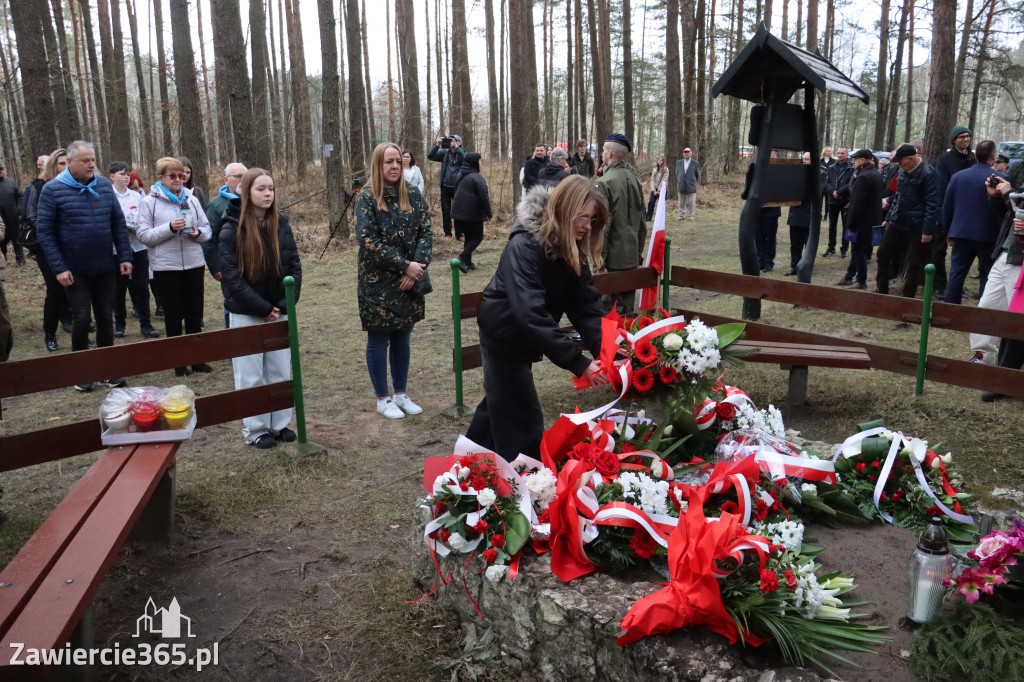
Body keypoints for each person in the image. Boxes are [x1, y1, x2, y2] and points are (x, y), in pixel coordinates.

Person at [465, 175, 610, 461]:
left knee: (500, 403)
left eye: (592, 220)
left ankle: (466, 465)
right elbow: (529, 313)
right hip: (503, 335)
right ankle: (527, 479)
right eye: (581, 217)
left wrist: (606, 349)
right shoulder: (524, 246)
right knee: (523, 418)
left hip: (526, 334)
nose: (585, 226)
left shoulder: (571, 248)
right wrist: (579, 362)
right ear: (564, 210)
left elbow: (586, 306)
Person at [35, 140, 130, 391]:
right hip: (74, 268)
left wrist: (124, 256)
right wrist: (59, 267)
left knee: (105, 318)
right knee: (81, 318)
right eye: (86, 161)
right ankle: (81, 373)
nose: (91, 164)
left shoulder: (103, 186)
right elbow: (45, 233)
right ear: (72, 162)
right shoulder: (53, 190)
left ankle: (107, 371)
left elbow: (117, 224)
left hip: (104, 265)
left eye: (93, 160)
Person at [219, 168, 302, 448]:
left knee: (279, 370)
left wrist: (282, 304)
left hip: (279, 310)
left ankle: (279, 424)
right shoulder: (231, 228)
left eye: (271, 189)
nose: (268, 194)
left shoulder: (281, 224)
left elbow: (294, 268)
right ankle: (256, 429)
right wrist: (262, 307)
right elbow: (231, 277)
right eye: (261, 189)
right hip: (246, 312)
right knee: (251, 374)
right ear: (246, 193)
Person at [355, 142, 432, 419]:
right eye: (389, 162)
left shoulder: (411, 193)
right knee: (379, 337)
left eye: (398, 161)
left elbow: (426, 229)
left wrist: (417, 268)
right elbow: (367, 240)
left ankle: (400, 394)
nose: (395, 166)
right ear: (378, 164)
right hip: (378, 281)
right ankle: (382, 398)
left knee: (403, 337)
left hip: (410, 280)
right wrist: (404, 266)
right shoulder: (366, 197)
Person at [136, 157, 212, 377]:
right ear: (161, 178)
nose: (178, 179)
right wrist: (169, 227)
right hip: (166, 267)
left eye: (181, 175)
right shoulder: (149, 202)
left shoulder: (192, 199)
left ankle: (197, 359)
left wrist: (197, 233)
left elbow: (207, 229)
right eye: (173, 176)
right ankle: (178, 362)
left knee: (194, 312)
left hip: (194, 264)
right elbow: (143, 236)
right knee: (173, 315)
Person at [942, 140, 1006, 305]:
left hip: (961, 231)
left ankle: (951, 307)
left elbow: (947, 207)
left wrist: (948, 231)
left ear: (975, 155)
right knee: (987, 273)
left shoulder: (958, 177)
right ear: (993, 156)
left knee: (957, 272)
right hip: (989, 233)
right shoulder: (1002, 179)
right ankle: (984, 308)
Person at [970, 176, 1023, 368]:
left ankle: (1008, 368)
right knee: (986, 307)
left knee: (1016, 319)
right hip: (1005, 255)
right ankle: (983, 356)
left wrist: (1009, 194)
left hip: (1020, 262)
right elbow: (1009, 217)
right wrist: (996, 197)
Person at [875, 144, 941, 297]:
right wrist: (890, 218)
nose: (899, 165)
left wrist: (927, 230)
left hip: (917, 227)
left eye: (902, 161)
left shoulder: (928, 174)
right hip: (898, 222)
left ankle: (908, 296)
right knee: (882, 253)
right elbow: (898, 197)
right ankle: (881, 289)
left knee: (914, 262)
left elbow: (933, 204)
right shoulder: (901, 171)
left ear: (912, 159)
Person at [597, 133, 647, 314]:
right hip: (631, 257)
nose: (602, 154)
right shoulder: (634, 180)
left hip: (611, 260)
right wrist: (638, 255)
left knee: (610, 315)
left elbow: (602, 227)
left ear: (610, 154)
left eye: (603, 150)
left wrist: (599, 262)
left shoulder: (603, 183)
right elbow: (642, 223)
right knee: (628, 313)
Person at [109, 162, 160, 340]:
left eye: (128, 173)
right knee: (118, 288)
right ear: (112, 176)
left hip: (138, 246)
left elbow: (145, 218)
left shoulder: (137, 196)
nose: (126, 177)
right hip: (115, 249)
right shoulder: (107, 195)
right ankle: (119, 324)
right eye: (122, 174)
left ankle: (146, 324)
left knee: (141, 286)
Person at [931, 126, 976, 298]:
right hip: (948, 209)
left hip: (968, 212)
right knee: (938, 251)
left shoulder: (974, 158)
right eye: (961, 137)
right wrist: (943, 215)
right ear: (954, 140)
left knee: (964, 253)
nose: (965, 140)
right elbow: (941, 188)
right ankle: (939, 285)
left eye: (967, 136)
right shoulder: (945, 160)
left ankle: (956, 286)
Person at [836, 149, 883, 289]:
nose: (853, 162)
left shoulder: (863, 177)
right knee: (858, 250)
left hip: (861, 221)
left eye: (855, 159)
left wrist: (850, 223)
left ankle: (861, 280)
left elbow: (858, 203)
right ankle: (848, 276)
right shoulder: (876, 174)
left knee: (858, 251)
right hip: (873, 220)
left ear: (862, 160)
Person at [203, 162, 247, 287]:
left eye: (246, 176)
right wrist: (215, 267)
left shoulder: (255, 200)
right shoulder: (215, 205)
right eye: (238, 176)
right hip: (230, 265)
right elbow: (209, 238)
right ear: (226, 180)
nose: (242, 180)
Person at [784, 152, 826, 276]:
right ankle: (794, 267)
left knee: (809, 244)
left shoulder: (821, 174)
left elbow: (816, 192)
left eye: (807, 159)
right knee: (795, 244)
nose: (804, 162)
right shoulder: (796, 173)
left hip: (810, 215)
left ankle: (807, 267)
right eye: (803, 159)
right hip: (795, 214)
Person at [451, 153, 492, 273]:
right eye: (480, 160)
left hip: (458, 211)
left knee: (469, 237)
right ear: (475, 162)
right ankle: (462, 258)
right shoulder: (477, 177)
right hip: (472, 213)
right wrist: (489, 213)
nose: (481, 162)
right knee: (478, 237)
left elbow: (455, 191)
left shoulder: (461, 174)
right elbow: (484, 196)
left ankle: (468, 263)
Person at [426, 133, 466, 239]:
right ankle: (448, 233)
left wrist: (457, 149)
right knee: (446, 210)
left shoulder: (462, 152)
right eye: (449, 140)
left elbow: (467, 159)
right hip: (445, 186)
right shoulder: (445, 153)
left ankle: (459, 234)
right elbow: (430, 156)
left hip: (458, 186)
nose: (451, 142)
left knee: (458, 210)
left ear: (459, 142)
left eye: (454, 140)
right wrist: (437, 145)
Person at [823, 147, 853, 257]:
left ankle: (844, 248)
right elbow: (827, 182)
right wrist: (833, 192)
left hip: (845, 200)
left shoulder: (851, 167)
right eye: (839, 153)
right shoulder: (831, 167)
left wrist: (839, 192)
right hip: (832, 200)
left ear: (847, 154)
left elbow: (850, 183)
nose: (840, 155)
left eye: (842, 153)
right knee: (832, 225)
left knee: (846, 225)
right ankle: (831, 247)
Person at [0, 161, 24, 266]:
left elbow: (20, 196)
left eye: (1, 169)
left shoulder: (11, 182)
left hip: (13, 216)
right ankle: (2, 260)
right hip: (0, 221)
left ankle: (20, 259)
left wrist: (19, 210)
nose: (1, 171)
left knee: (17, 238)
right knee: (2, 241)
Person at [675, 147, 700, 220]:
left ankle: (691, 216)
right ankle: (681, 216)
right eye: (685, 152)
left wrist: (693, 181)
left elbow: (697, 175)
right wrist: (680, 179)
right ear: (683, 153)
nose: (686, 153)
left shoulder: (695, 163)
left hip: (691, 185)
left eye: (687, 152)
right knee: (681, 202)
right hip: (681, 185)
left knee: (692, 202)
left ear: (691, 153)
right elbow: (677, 173)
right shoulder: (679, 162)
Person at [647, 155, 668, 221]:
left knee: (661, 205)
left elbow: (664, 180)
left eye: (661, 160)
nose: (660, 161)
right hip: (654, 189)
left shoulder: (666, 170)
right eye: (659, 160)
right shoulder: (654, 169)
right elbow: (652, 180)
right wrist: (653, 190)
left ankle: (660, 219)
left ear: (663, 161)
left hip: (662, 189)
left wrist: (659, 190)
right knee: (651, 203)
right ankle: (648, 218)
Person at [820, 146, 836, 220]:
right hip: (821, 183)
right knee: (819, 200)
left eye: (830, 151)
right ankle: (819, 214)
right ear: (824, 152)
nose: (829, 152)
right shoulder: (820, 161)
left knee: (828, 201)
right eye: (827, 151)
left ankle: (826, 215)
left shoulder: (834, 161)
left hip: (829, 184)